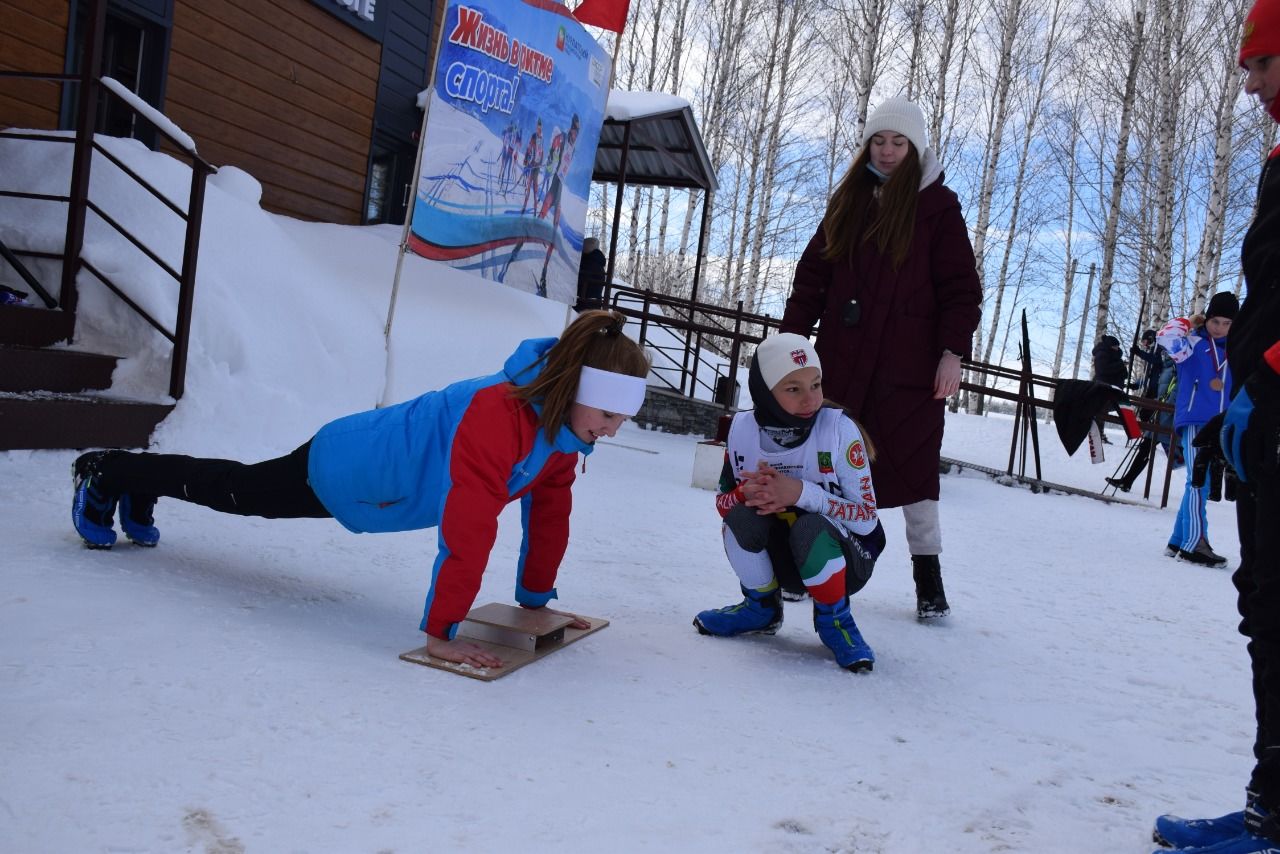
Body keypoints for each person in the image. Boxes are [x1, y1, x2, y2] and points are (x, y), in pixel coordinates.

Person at [69, 310, 651, 670]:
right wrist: (441, 634)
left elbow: (550, 512)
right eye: (606, 413)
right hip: (349, 468)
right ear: (572, 387)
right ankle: (111, 472)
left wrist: (535, 599)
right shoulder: (498, 415)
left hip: (377, 479)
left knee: (235, 487)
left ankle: (135, 483)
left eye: (620, 420)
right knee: (238, 492)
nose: (610, 430)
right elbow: (470, 527)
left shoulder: (560, 432)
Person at [1151, 4, 1280, 849]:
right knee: (1265, 599)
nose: (1249, 82)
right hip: (1261, 417)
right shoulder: (1278, 161)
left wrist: (1263, 381)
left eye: (1262, 63)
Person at [779, 96, 981, 621]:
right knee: (824, 467)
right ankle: (807, 567)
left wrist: (952, 353)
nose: (888, 151)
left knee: (914, 477)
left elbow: (962, 290)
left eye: (898, 142)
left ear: (915, 148)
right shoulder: (849, 201)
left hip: (908, 376)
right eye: (879, 140)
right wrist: (787, 347)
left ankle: (928, 579)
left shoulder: (939, 209)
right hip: (843, 367)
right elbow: (812, 280)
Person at [692, 333, 886, 671]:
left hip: (848, 559)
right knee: (741, 518)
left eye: (816, 384)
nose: (810, 399)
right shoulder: (742, 430)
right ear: (765, 394)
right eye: (793, 389)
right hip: (782, 561)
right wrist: (744, 494)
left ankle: (836, 622)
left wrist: (800, 493)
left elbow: (868, 519)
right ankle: (760, 609)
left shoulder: (839, 430)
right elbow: (723, 506)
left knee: (811, 528)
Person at [1155, 292, 1237, 566]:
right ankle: (1195, 544)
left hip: (1219, 424)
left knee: (1198, 481)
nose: (1220, 328)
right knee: (1198, 481)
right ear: (1207, 318)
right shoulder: (1191, 343)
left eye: (1227, 323)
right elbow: (1164, 336)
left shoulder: (1236, 351)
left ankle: (1178, 540)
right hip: (1194, 420)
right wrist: (1190, 322)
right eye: (1215, 321)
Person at [1106, 330, 1164, 493]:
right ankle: (1127, 481)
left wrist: (1138, 354)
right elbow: (1149, 375)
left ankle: (1127, 480)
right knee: (1146, 444)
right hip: (1150, 397)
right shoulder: (1153, 352)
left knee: (1149, 443)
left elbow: (1157, 364)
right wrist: (1135, 385)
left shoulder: (1160, 351)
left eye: (1145, 342)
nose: (1144, 345)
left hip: (1157, 400)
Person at [1091, 334, 1128, 444]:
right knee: (1102, 410)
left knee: (1118, 408)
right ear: (1110, 346)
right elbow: (1102, 370)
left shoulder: (1115, 356)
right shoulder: (1102, 354)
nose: (1117, 348)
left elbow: (1122, 374)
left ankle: (1099, 434)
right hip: (1104, 387)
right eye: (1115, 346)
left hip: (1114, 388)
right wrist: (1120, 365)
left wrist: (1121, 368)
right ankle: (1098, 434)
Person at [576, 237, 607, 311]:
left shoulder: (587, 262)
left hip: (583, 304)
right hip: (593, 304)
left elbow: (577, 281)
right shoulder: (598, 262)